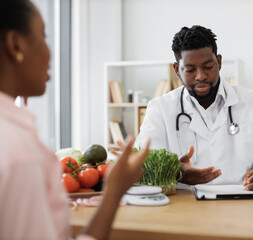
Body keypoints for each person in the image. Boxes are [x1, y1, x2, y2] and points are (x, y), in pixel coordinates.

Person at [0, 1, 149, 239]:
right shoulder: (19, 154)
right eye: (43, 36)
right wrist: (113, 193)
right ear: (15, 44)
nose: (51, 52)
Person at [135, 25, 253, 190]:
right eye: (190, 69)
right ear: (176, 70)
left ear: (219, 62)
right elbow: (143, 163)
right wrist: (176, 172)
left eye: (208, 66)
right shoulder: (160, 109)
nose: (201, 76)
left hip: (243, 203)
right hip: (185, 207)